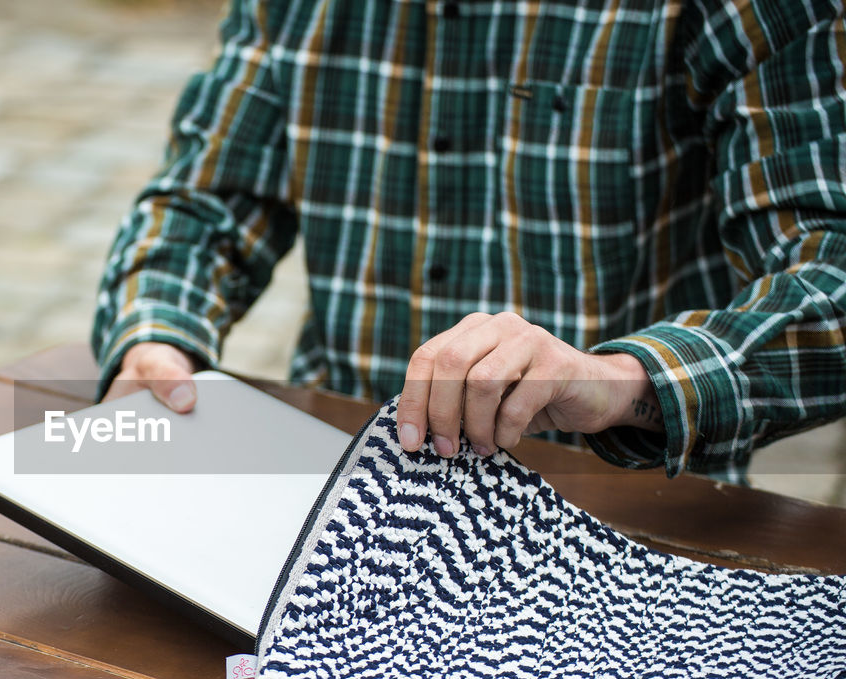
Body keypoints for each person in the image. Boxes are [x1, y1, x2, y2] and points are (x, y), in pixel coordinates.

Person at [91, 0, 846, 480]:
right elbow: (205, 195)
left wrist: (618, 379)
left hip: (618, 519)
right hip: (331, 496)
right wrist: (159, 336)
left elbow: (831, 272)